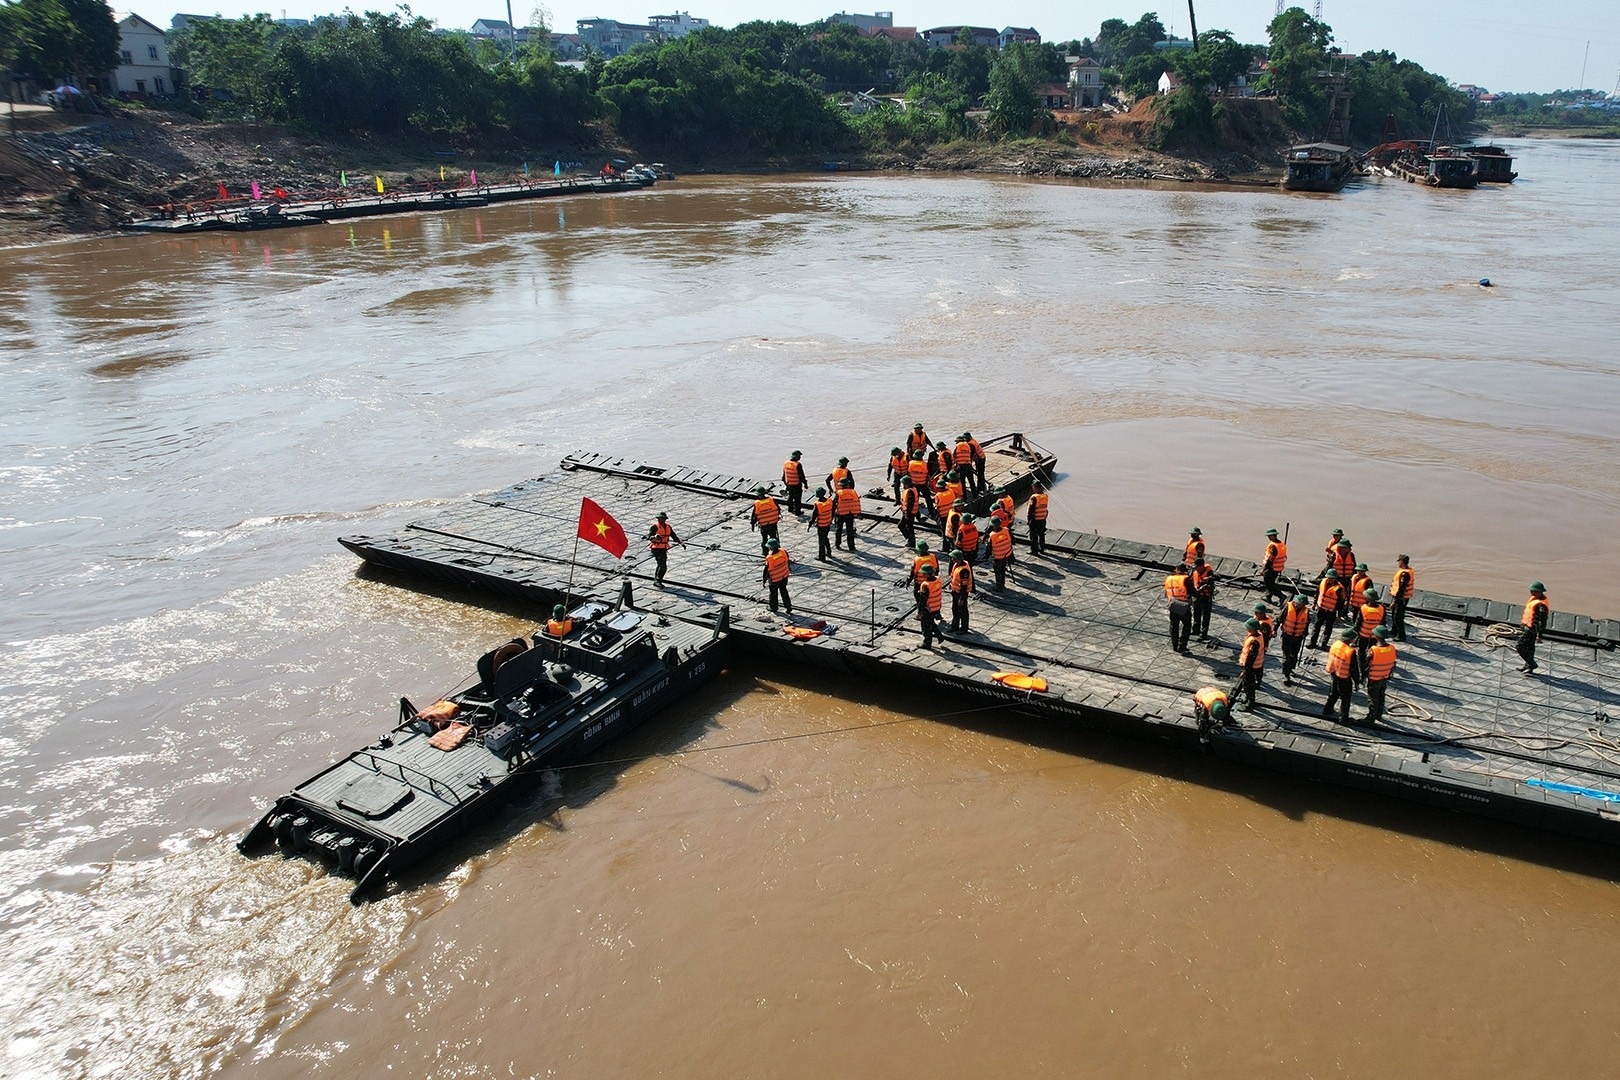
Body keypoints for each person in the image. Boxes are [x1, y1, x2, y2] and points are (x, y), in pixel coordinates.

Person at [1322, 629, 1358, 724]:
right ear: (1350, 639)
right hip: (1344, 677)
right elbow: (1353, 668)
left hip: (1334, 673)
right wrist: (1357, 681)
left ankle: (1327, 709)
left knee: (1334, 693)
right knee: (1345, 698)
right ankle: (1343, 718)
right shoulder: (1350, 651)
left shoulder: (1335, 644)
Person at [1364, 626, 1397, 724]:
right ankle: (1379, 715)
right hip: (1385, 676)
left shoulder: (1373, 650)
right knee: (1381, 696)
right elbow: (1393, 662)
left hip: (1374, 678)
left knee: (1373, 698)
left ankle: (1370, 718)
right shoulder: (1391, 648)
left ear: (1377, 636)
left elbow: (1366, 662)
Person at [1233, 617, 1266, 711]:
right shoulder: (1259, 635)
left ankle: (1250, 704)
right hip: (1255, 666)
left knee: (1249, 686)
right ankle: (1248, 699)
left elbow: (1251, 659)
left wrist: (1245, 671)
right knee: (1247, 685)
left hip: (1251, 668)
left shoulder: (1254, 642)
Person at [1279, 592, 1312, 685]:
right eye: (1300, 604)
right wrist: (1274, 629)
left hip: (1298, 637)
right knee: (1286, 655)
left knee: (1294, 655)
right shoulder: (1288, 608)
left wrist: (1305, 632)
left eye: (1303, 605)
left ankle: (1290, 669)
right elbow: (1279, 619)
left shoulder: (1306, 611)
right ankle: (1286, 674)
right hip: (1287, 635)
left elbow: (1307, 622)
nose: (1301, 606)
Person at [1310, 570, 1347, 650]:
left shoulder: (1339, 588)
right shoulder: (1323, 582)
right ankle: (1312, 642)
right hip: (1321, 609)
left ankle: (1324, 644)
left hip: (1331, 611)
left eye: (1332, 578)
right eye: (1329, 577)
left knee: (1328, 628)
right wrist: (1314, 603)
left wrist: (1339, 615)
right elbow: (1317, 593)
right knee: (1316, 626)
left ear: (1335, 578)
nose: (1330, 579)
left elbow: (1340, 603)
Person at [1518, 581, 1550, 675]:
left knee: (1520, 646)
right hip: (1527, 627)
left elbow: (1542, 621)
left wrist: (1539, 635)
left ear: (1540, 592)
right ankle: (1528, 667)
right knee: (1529, 648)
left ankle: (1532, 664)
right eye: (1531, 591)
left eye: (1534, 591)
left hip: (1532, 630)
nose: (1532, 593)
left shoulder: (1541, 605)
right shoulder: (1535, 599)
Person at [1356, 587, 1386, 685]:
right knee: (1371, 656)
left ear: (1368, 599)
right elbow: (1383, 624)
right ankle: (1368, 672)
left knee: (1361, 654)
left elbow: (1358, 622)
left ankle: (1362, 674)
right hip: (1374, 637)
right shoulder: (1381, 609)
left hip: (1363, 635)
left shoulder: (1363, 608)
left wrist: (1355, 636)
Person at [645, 511, 684, 587]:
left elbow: (673, 536)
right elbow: (649, 536)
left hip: (663, 548)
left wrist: (681, 543)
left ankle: (657, 580)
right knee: (662, 565)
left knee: (661, 565)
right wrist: (654, 537)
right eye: (660, 519)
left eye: (662, 519)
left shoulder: (668, 527)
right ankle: (657, 581)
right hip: (656, 548)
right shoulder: (655, 527)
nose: (661, 520)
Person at [1164, 562, 1193, 653]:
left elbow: (1166, 592)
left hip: (1173, 606)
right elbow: (1193, 591)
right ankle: (1182, 645)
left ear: (1177, 570)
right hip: (1184, 607)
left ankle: (1175, 645)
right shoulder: (1186, 579)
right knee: (1187, 626)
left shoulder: (1169, 579)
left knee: (1174, 626)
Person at [915, 564, 944, 648]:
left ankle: (927, 642)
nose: (923, 575)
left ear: (928, 574)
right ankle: (939, 636)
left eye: (924, 573)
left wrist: (919, 612)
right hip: (936, 606)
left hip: (928, 608)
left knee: (925, 626)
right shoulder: (938, 579)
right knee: (930, 622)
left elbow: (923, 600)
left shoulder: (925, 585)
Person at [1390, 555, 1416, 641]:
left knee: (1398, 616)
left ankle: (1401, 635)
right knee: (1394, 614)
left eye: (1399, 561)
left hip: (1401, 598)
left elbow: (1401, 589)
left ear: (1401, 562)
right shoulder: (1405, 571)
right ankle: (1394, 630)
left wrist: (1395, 601)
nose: (1398, 563)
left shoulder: (1405, 574)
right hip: (1398, 597)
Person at [763, 539, 792, 615]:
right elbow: (787, 560)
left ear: (770, 548)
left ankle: (773, 607)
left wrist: (764, 579)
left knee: (773, 594)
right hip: (784, 576)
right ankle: (788, 607)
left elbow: (766, 570)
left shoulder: (770, 558)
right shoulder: (783, 551)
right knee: (784, 591)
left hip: (775, 579)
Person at [949, 549, 975, 633]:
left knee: (962, 611)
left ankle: (964, 628)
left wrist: (962, 598)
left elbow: (964, 585)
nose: (952, 559)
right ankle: (955, 626)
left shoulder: (964, 570)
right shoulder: (956, 565)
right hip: (955, 591)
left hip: (961, 593)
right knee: (955, 609)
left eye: (953, 558)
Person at [749, 486, 780, 555]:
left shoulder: (757, 504)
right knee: (774, 538)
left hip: (764, 525)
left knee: (765, 539)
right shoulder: (772, 500)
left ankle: (765, 552)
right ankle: (777, 551)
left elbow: (754, 516)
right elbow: (778, 509)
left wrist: (752, 524)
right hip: (773, 524)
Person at [1262, 527, 1289, 606]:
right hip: (1278, 568)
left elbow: (1270, 559)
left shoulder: (1273, 546)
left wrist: (1263, 570)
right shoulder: (1281, 544)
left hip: (1271, 568)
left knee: (1269, 584)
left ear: (1273, 536)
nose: (1269, 538)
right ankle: (1268, 596)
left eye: (1269, 536)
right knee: (1271, 582)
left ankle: (1281, 596)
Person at [1191, 557, 1215, 641]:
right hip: (1197, 596)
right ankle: (1195, 630)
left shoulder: (1209, 572)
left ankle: (1203, 634)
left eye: (1197, 567)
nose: (1196, 568)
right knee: (1196, 614)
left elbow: (1216, 577)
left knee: (1205, 617)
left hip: (1206, 597)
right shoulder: (1194, 572)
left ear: (1201, 566)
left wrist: (1209, 579)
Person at [834, 478, 861, 551]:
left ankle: (837, 544)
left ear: (841, 486)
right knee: (850, 531)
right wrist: (858, 513)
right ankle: (851, 547)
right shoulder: (853, 492)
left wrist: (832, 514)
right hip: (850, 514)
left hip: (840, 514)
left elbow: (834, 504)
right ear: (848, 485)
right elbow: (857, 502)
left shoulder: (838, 493)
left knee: (838, 530)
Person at [807, 486, 834, 561]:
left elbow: (813, 517)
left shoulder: (817, 504)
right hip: (828, 523)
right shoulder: (829, 501)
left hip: (821, 525)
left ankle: (822, 557)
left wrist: (809, 525)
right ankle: (829, 552)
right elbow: (833, 511)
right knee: (825, 538)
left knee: (821, 542)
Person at [988, 519, 1014, 591]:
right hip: (1007, 554)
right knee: (1003, 569)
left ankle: (999, 587)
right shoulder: (1006, 530)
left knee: (998, 571)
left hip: (998, 557)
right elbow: (1013, 539)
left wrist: (987, 556)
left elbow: (989, 549)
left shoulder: (992, 535)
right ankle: (1002, 584)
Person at [907, 451, 934, 516]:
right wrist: (930, 483)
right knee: (928, 498)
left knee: (914, 499)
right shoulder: (925, 464)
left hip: (914, 484)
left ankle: (914, 512)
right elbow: (928, 475)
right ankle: (932, 512)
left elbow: (908, 474)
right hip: (923, 484)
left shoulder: (910, 463)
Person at [896, 477, 921, 547]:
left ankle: (910, 538)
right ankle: (912, 542)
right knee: (910, 527)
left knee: (901, 525)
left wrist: (907, 514)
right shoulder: (914, 489)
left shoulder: (910, 491)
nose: (902, 485)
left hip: (909, 513)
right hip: (912, 512)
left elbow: (910, 504)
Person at [1026, 481, 1050, 555]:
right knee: (1041, 535)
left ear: (1035, 487)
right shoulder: (1045, 496)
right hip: (1042, 519)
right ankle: (1042, 548)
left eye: (1033, 487)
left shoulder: (1034, 497)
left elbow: (1031, 510)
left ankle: (1034, 551)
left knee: (1033, 536)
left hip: (1035, 520)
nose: (1032, 488)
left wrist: (1029, 520)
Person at [782, 450, 808, 514]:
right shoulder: (798, 465)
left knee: (790, 496)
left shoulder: (786, 463)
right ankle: (797, 511)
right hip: (796, 484)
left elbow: (784, 474)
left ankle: (790, 509)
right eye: (799, 456)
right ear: (796, 457)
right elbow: (801, 476)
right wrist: (805, 484)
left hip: (788, 483)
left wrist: (785, 482)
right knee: (797, 498)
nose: (800, 458)